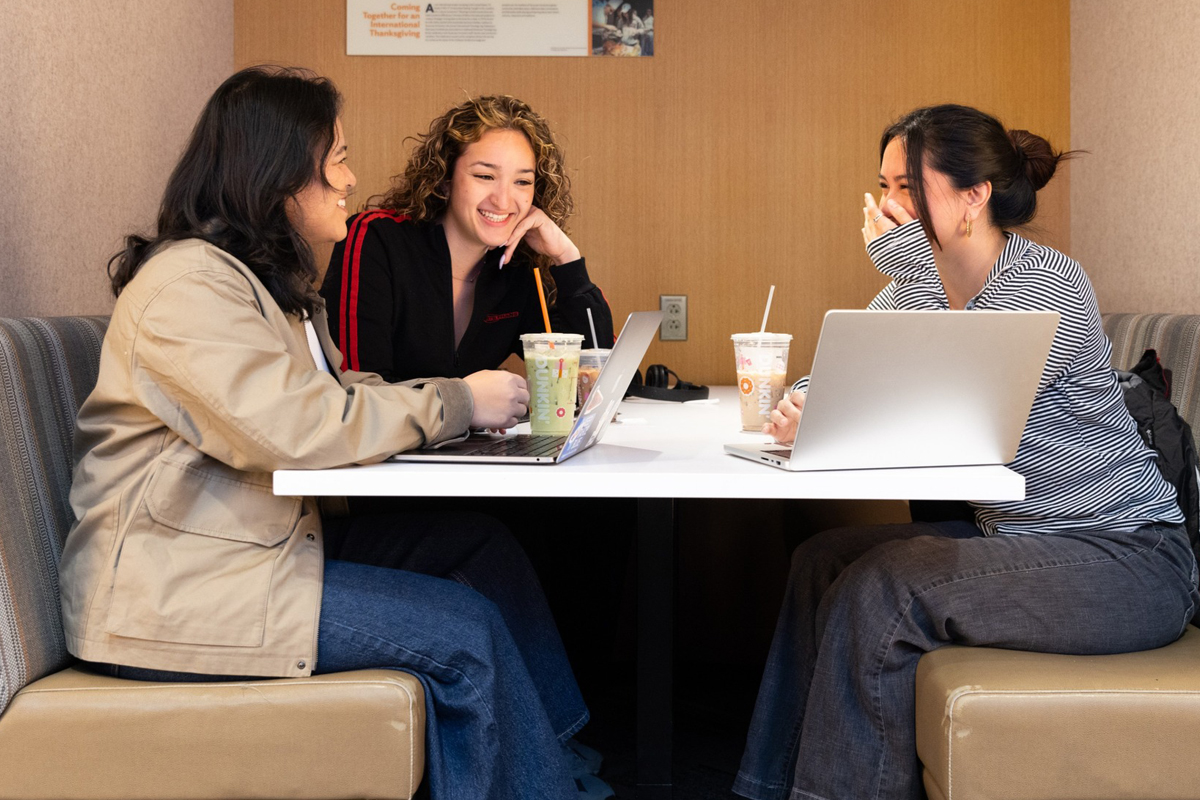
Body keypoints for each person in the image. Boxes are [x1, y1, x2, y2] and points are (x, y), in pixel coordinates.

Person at [58, 66, 611, 800]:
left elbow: (326, 393)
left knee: (479, 544)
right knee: (463, 629)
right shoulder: (189, 286)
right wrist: (454, 401)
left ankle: (554, 756)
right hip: (175, 593)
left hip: (248, 549)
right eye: (339, 157)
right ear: (281, 173)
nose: (351, 177)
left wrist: (450, 401)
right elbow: (294, 426)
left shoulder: (255, 285)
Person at [735, 104, 1199, 800]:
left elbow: (959, 408)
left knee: (884, 586)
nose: (889, 207)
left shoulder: (1047, 282)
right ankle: (767, 787)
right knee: (822, 559)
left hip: (1128, 558)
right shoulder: (925, 284)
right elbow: (860, 359)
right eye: (884, 186)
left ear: (974, 195)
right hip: (1021, 538)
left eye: (908, 188)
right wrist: (806, 400)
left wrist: (913, 267)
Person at [320, 95, 614, 382]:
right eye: (485, 176)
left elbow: (593, 378)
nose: (503, 201)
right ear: (444, 180)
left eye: (522, 182)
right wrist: (468, 404)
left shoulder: (519, 269)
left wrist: (566, 258)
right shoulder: (376, 238)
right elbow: (358, 390)